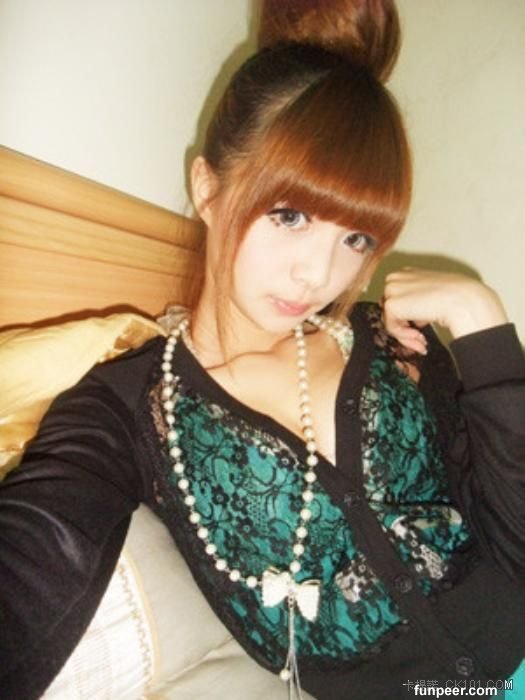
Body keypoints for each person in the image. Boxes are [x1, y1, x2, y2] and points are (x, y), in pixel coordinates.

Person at [1, 1, 524, 698]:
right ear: (207, 189)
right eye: (290, 216)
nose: (318, 275)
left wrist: (484, 326)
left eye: (356, 238)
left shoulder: (396, 342)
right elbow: (37, 551)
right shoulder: (131, 409)